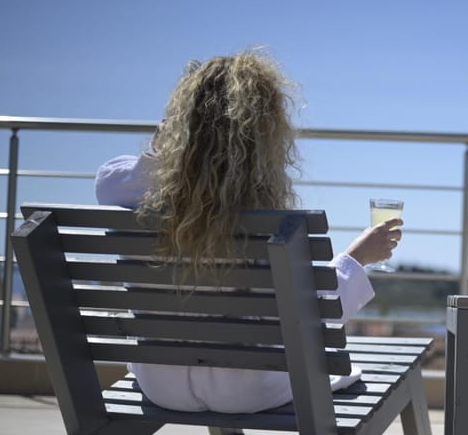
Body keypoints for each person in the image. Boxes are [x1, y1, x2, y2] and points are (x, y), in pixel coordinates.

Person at [94, 52, 401, 413]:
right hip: (248, 390)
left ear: (181, 125)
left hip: (160, 383)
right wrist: (356, 259)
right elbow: (308, 315)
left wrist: (165, 148)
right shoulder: (266, 218)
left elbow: (116, 174)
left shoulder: (123, 193)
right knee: (337, 365)